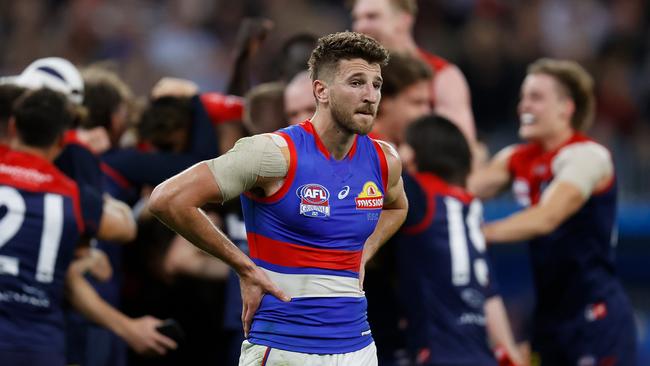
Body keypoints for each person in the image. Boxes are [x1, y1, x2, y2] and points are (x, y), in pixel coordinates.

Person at [149, 31, 408, 365]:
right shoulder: (273, 154)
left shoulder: (383, 159)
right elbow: (167, 199)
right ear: (321, 90)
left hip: (358, 350)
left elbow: (398, 206)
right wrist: (244, 267)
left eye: (376, 84)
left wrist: (366, 251)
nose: (371, 95)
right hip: (284, 348)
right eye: (357, 82)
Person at [470, 58, 637, 365]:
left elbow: (548, 217)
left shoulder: (588, 156)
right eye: (523, 97)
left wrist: (480, 234)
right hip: (548, 319)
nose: (523, 106)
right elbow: (463, 189)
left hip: (596, 317)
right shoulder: (516, 158)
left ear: (566, 108)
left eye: (536, 97)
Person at [0, 88, 136, 365]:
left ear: (14, 126)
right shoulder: (72, 196)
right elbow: (125, 229)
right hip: (36, 343)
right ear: (62, 140)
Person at [397, 115, 522, 366]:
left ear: (412, 155)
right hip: (480, 355)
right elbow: (490, 294)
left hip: (439, 353)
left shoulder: (418, 194)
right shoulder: (470, 207)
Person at [351, 0, 476, 144]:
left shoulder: (442, 76)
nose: (360, 26)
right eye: (356, 18)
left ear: (404, 20)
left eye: (372, 17)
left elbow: (460, 150)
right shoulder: (351, 74)